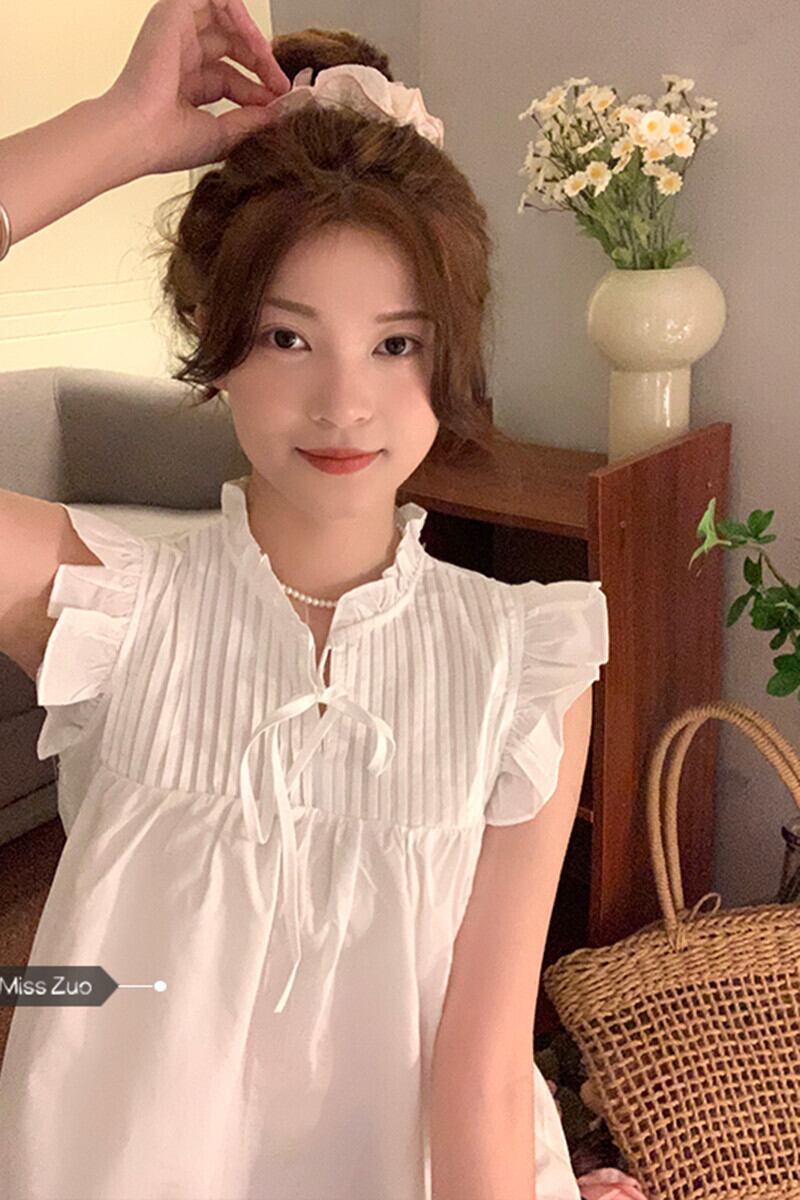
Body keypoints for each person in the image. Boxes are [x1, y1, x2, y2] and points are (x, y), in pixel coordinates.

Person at [0, 2, 610, 1197]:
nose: (343, 404)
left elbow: (482, 1078)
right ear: (211, 335)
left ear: (452, 354)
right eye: (287, 338)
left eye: (396, 344)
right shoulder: (107, 611)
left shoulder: (521, 670)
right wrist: (116, 130)